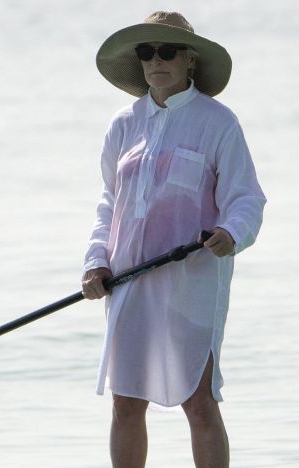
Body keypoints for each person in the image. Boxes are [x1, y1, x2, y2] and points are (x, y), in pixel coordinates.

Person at [81, 11, 266, 468]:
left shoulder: (218, 122)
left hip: (192, 280)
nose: (156, 60)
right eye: (147, 52)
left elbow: (247, 199)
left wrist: (230, 234)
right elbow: (108, 203)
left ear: (189, 61)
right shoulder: (123, 124)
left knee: (197, 399)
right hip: (127, 281)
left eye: (167, 51)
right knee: (126, 402)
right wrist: (95, 262)